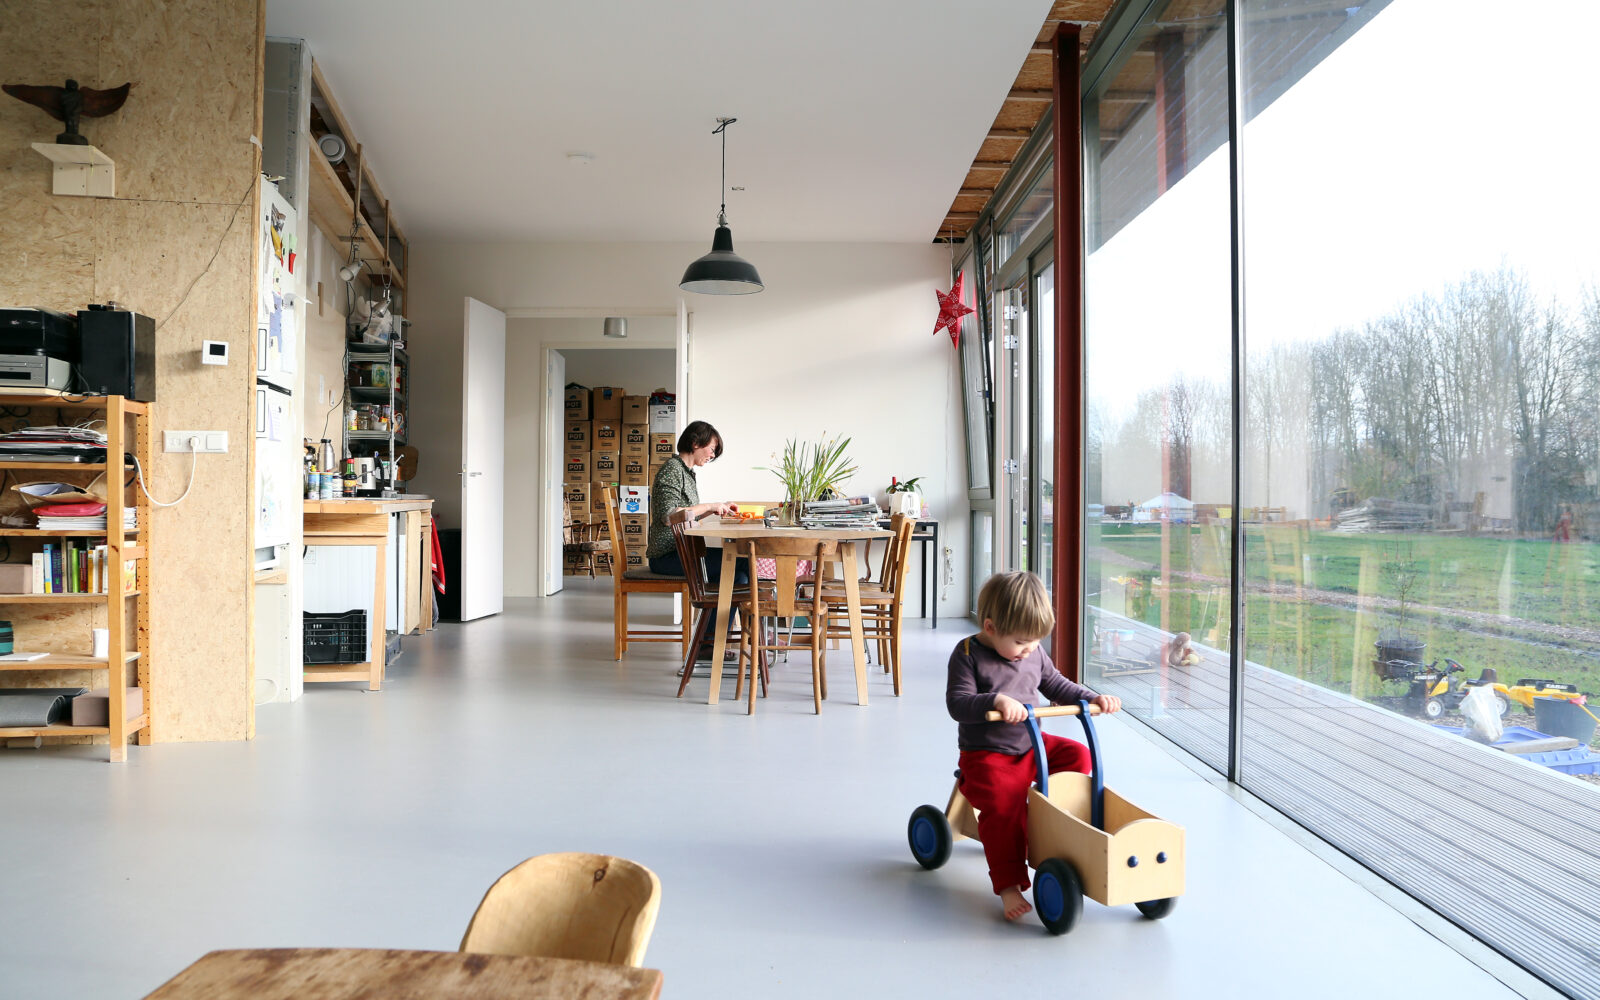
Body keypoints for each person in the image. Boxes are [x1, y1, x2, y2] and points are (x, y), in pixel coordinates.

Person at [946, 570, 1123, 922]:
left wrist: (1091, 697)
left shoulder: (1033, 653)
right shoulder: (967, 654)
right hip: (987, 755)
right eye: (1022, 642)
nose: (1028, 650)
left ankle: (1048, 813)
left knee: (1078, 755)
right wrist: (994, 701)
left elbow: (1055, 684)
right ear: (991, 627)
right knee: (1001, 805)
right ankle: (1009, 884)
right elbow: (958, 703)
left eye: (1034, 643)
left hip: (1032, 745)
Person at [645, 420, 747, 662]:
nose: (712, 455)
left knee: (741, 571)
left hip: (682, 552)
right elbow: (670, 516)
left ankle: (715, 640)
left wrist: (711, 510)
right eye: (711, 449)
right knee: (739, 565)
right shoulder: (672, 469)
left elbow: (687, 511)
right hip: (666, 556)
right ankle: (720, 640)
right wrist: (711, 505)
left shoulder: (687, 473)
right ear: (695, 443)